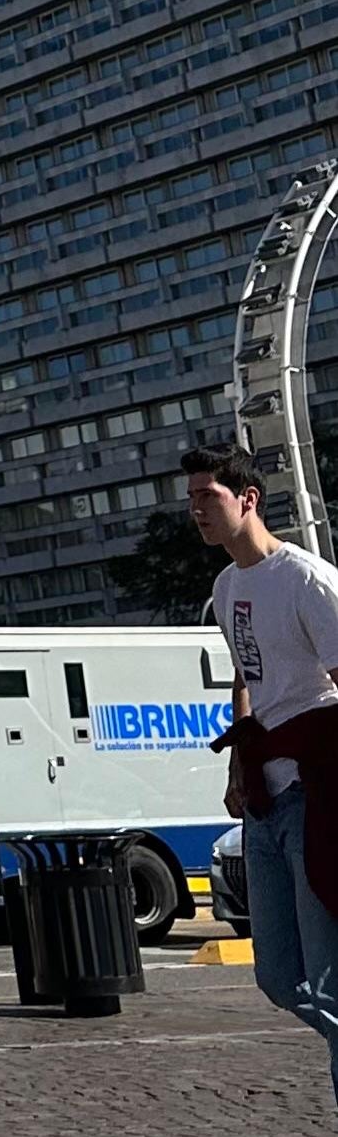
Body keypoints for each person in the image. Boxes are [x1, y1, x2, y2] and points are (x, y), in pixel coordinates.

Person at [192, 443, 338, 1114]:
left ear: (247, 498)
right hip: (264, 798)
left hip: (316, 792)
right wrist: (236, 764)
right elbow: (245, 675)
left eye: (209, 496)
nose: (197, 510)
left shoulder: (306, 579)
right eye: (192, 499)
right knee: (279, 976)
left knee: (328, 981)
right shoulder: (227, 588)